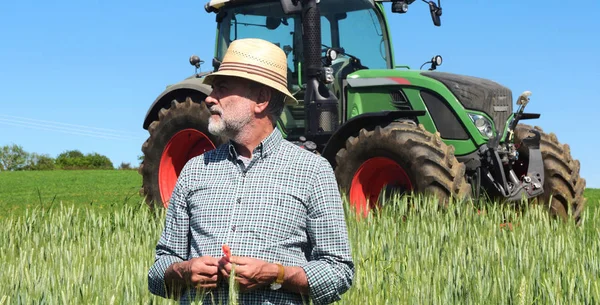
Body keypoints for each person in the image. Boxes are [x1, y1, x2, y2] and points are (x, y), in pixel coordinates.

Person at [148, 38, 354, 305]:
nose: (209, 98)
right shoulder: (194, 170)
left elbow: (339, 272)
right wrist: (182, 272)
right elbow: (158, 271)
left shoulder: (313, 171)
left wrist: (277, 275)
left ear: (261, 99)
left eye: (222, 88)